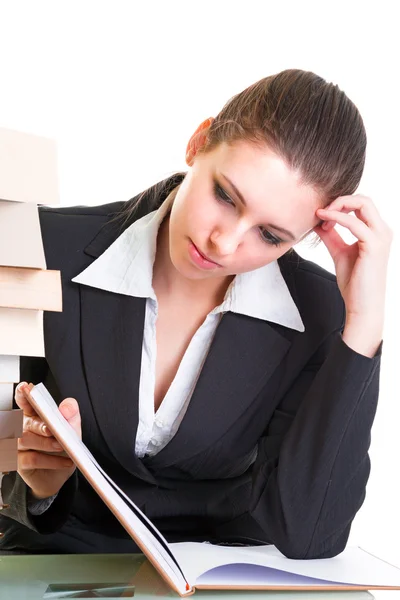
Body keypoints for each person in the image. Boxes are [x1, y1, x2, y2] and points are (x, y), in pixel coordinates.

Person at [0, 68, 392, 558]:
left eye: (270, 236)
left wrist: (363, 330)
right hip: (56, 563)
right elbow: (11, 462)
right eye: (225, 196)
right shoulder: (39, 246)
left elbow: (309, 534)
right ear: (198, 142)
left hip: (221, 572)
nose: (225, 242)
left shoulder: (319, 314)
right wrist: (40, 485)